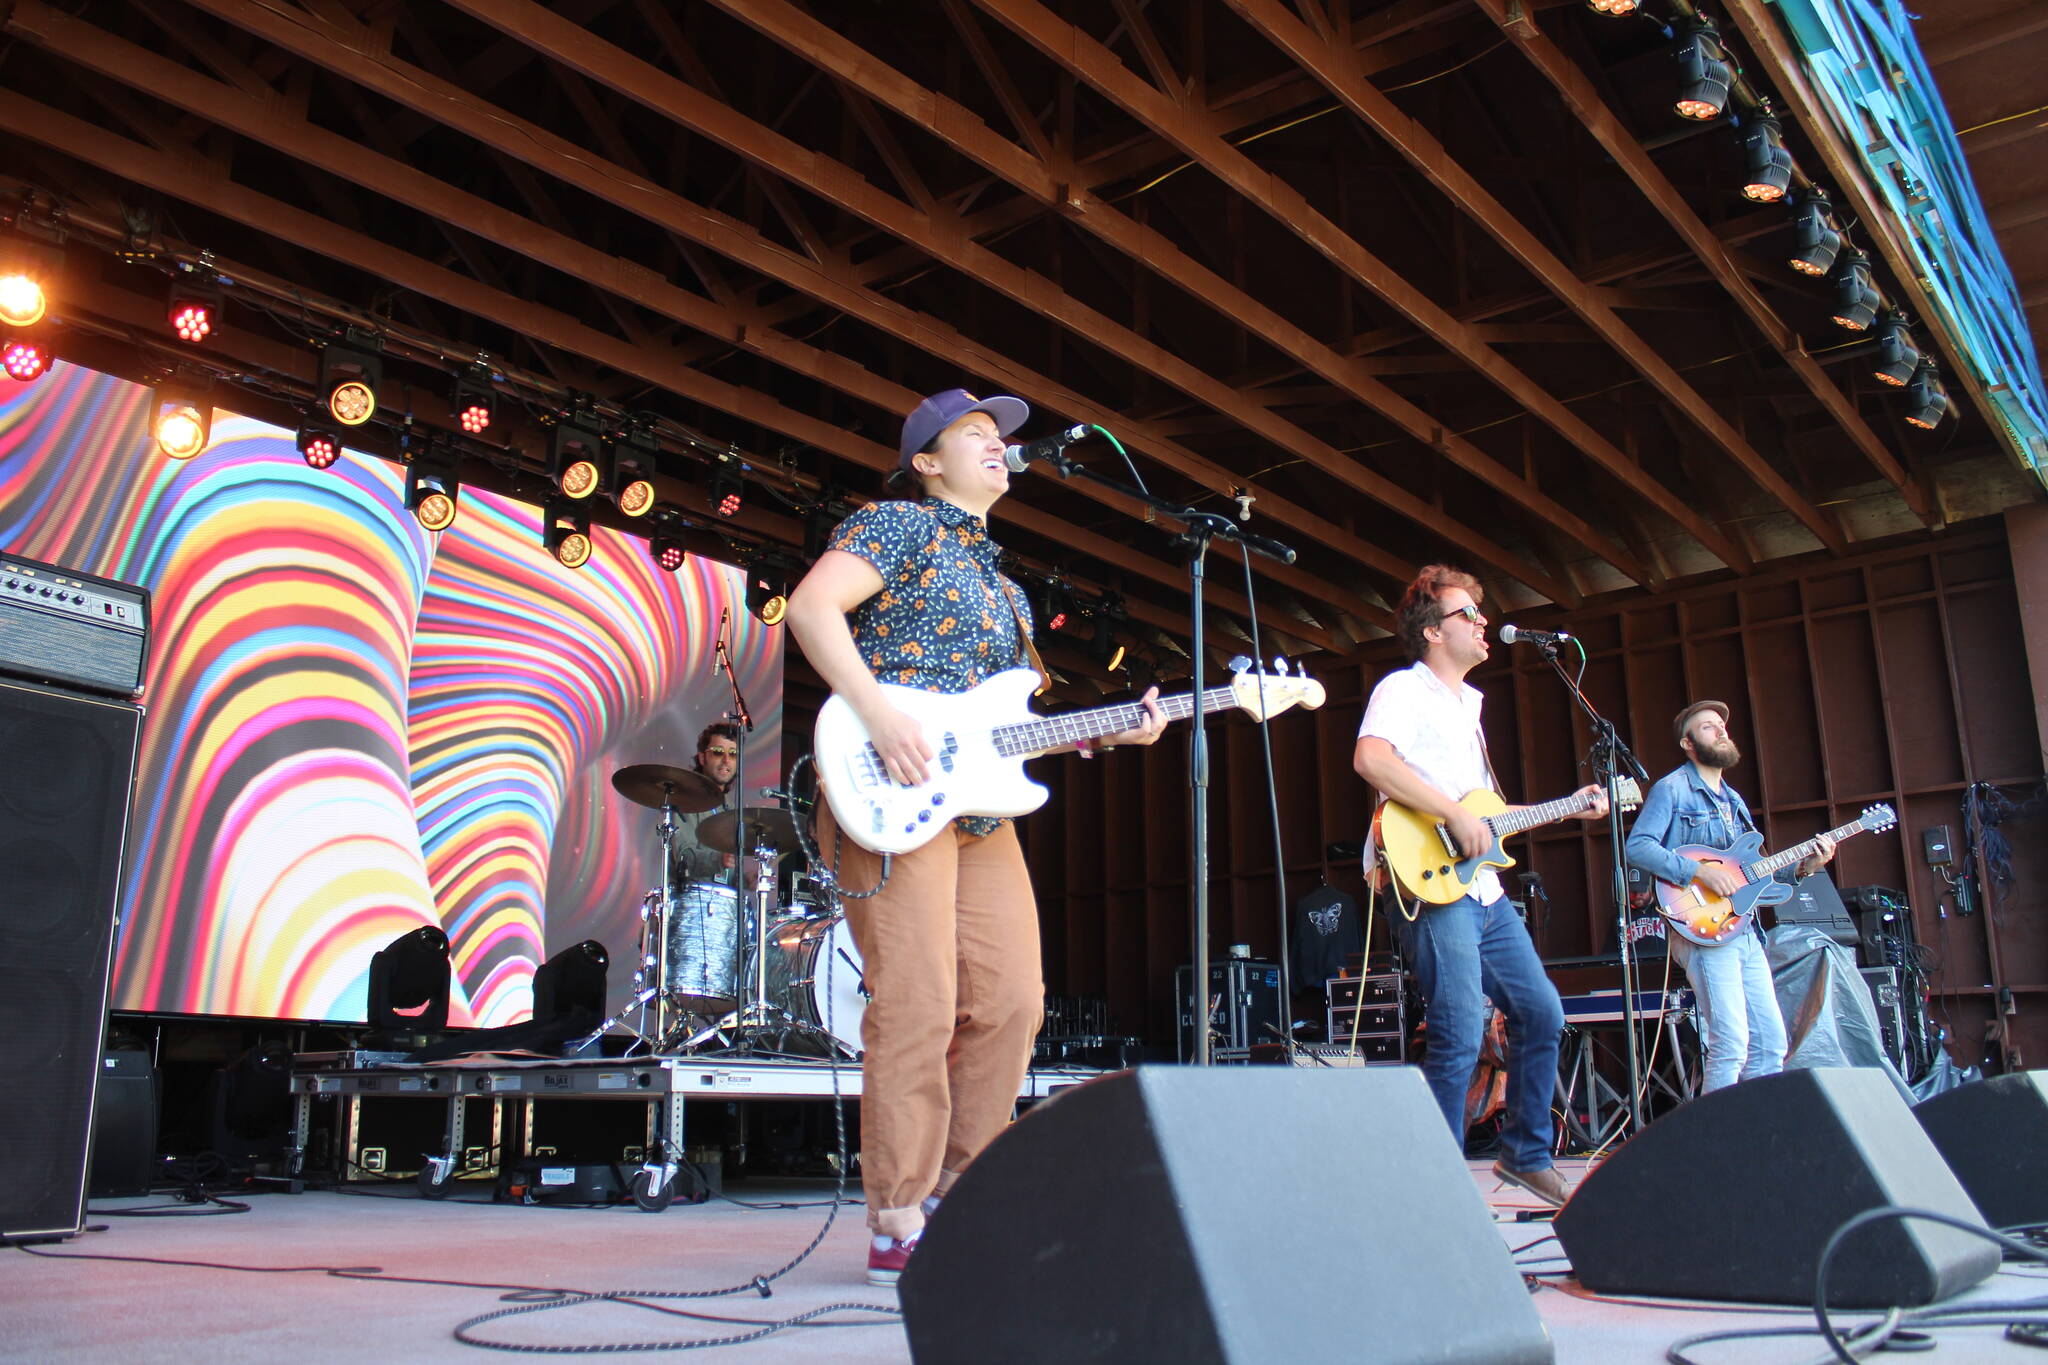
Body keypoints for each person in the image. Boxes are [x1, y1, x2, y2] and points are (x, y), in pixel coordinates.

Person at [785, 388, 1165, 1285]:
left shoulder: (1011, 592)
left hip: (980, 812)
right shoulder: (896, 526)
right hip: (889, 790)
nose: (998, 447)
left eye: (1002, 439)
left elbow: (1006, 730)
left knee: (1013, 1000)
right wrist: (878, 715)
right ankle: (896, 1215)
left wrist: (1112, 727)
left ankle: (961, 1193)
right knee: (916, 998)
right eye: (976, 435)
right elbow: (811, 610)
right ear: (926, 461)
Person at [1352, 565, 1605, 1208]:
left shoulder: (1471, 706)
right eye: (1469, 614)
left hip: (1482, 892)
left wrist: (1571, 804)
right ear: (1434, 632)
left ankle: (1524, 1155)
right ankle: (1433, 1187)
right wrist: (1454, 815)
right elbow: (1372, 760)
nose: (1483, 622)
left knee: (1543, 1012)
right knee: (1461, 1027)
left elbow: (1485, 813)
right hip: (1433, 886)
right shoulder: (1403, 690)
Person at [1625, 701, 1834, 1093]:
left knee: (1772, 1045)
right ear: (1688, 743)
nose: (1721, 730)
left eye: (1722, 725)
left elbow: (1754, 872)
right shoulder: (1671, 789)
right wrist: (1700, 871)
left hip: (1746, 932)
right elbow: (1638, 847)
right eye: (1708, 727)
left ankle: (1758, 1142)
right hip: (1705, 929)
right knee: (1731, 1046)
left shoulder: (1733, 800)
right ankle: (1716, 1151)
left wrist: (1806, 866)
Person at [671, 721, 740, 883]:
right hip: (689, 903)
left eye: (733, 754)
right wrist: (718, 860)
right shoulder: (686, 799)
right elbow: (683, 858)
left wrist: (745, 879)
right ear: (702, 758)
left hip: (722, 905)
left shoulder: (731, 808)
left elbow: (725, 875)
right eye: (717, 752)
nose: (726, 760)